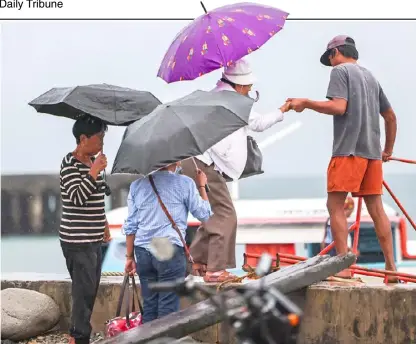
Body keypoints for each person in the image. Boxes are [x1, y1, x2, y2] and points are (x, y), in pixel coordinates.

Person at [287, 35, 398, 279]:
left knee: (334, 206)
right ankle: (391, 268)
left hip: (348, 151)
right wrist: (387, 150)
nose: (331, 62)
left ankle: (344, 268)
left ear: (336, 52)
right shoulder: (370, 77)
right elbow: (390, 116)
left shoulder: (340, 72)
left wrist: (305, 102)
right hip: (372, 154)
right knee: (377, 209)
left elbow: (339, 107)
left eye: (330, 57)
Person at [180, 57, 292, 283]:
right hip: (204, 164)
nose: (250, 89)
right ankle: (215, 270)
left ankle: (199, 260)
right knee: (225, 214)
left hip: (194, 161)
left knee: (213, 214)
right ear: (239, 84)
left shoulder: (215, 96)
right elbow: (258, 124)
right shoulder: (232, 101)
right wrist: (284, 109)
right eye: (249, 85)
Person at [123, 161, 212, 323]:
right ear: (175, 159)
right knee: (168, 307)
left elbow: (131, 225)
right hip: (167, 248)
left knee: (149, 305)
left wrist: (129, 257)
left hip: (143, 251)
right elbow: (204, 214)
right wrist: (202, 187)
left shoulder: (137, 185)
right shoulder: (184, 183)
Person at [59, 115, 111, 344]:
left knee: (90, 290)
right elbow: (77, 197)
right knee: (83, 291)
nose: (101, 142)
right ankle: (78, 338)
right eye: (99, 137)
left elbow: (96, 200)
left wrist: (105, 225)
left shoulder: (93, 164)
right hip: (76, 239)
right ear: (83, 138)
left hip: (93, 237)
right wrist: (93, 172)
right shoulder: (69, 163)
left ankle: (78, 335)